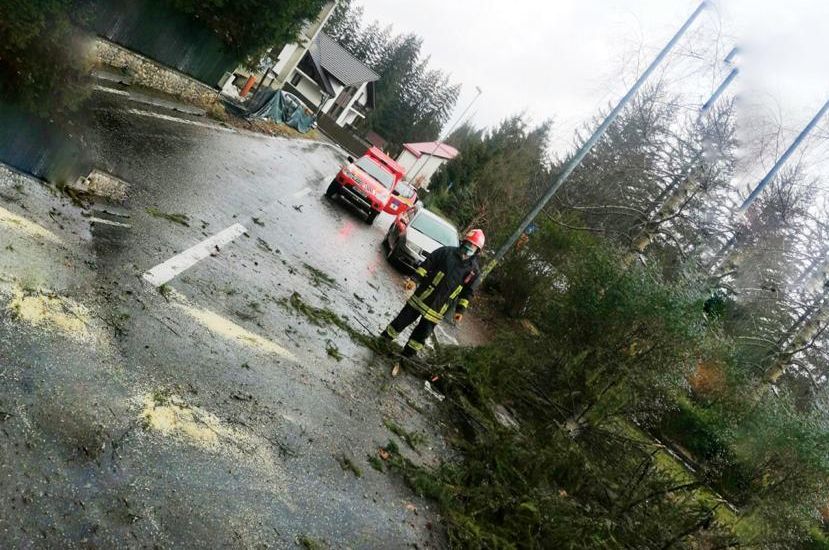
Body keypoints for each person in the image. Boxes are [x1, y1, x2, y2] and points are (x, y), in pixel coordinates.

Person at [380, 229, 485, 376]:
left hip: (439, 308)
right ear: (463, 242)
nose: (469, 248)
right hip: (423, 296)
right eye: (468, 244)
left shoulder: (474, 272)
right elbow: (427, 264)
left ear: (477, 251)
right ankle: (383, 341)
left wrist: (460, 311)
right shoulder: (446, 252)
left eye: (473, 246)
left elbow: (467, 293)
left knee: (421, 335)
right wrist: (414, 279)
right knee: (401, 321)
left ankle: (406, 357)